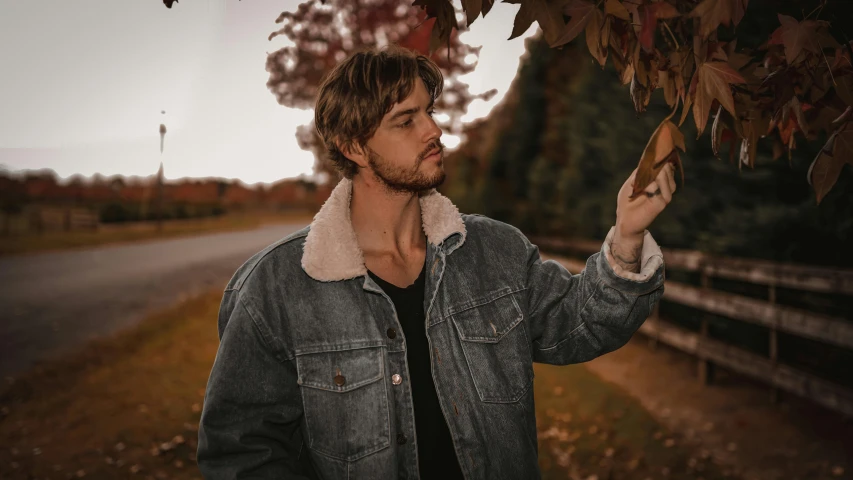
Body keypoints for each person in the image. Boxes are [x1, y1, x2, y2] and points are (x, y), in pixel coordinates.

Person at [197, 44, 673, 480]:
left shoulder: (494, 250)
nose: (434, 130)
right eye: (406, 121)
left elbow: (581, 326)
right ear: (354, 147)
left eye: (428, 111)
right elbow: (241, 450)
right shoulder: (275, 288)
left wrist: (628, 235)